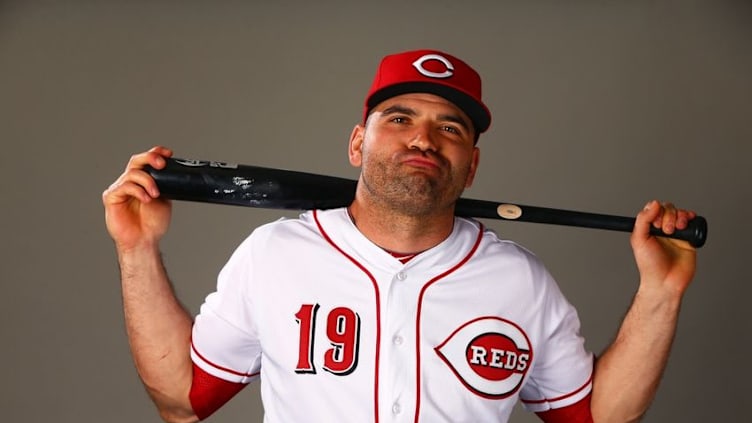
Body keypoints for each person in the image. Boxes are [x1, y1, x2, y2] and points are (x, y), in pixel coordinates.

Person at [103, 49, 697, 423]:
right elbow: (182, 401)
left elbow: (595, 417)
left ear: (472, 165)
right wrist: (137, 249)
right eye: (399, 118)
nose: (423, 140)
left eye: (449, 127)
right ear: (359, 143)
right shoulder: (273, 255)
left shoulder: (520, 280)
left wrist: (660, 292)